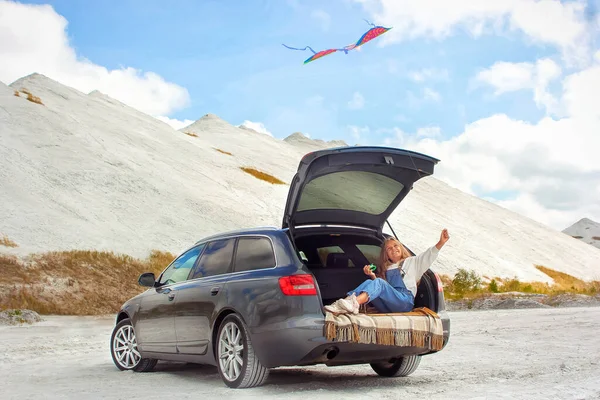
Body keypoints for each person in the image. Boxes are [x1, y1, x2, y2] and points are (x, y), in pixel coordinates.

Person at [324, 229, 450, 315]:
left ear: (401, 248)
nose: (393, 249)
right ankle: (342, 304)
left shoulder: (413, 262)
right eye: (389, 248)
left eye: (396, 246)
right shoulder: (387, 268)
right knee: (371, 281)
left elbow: (428, 255)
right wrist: (372, 276)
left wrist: (441, 243)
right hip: (388, 305)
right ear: (386, 254)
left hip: (404, 302)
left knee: (379, 282)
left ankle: (353, 303)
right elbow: (382, 290)